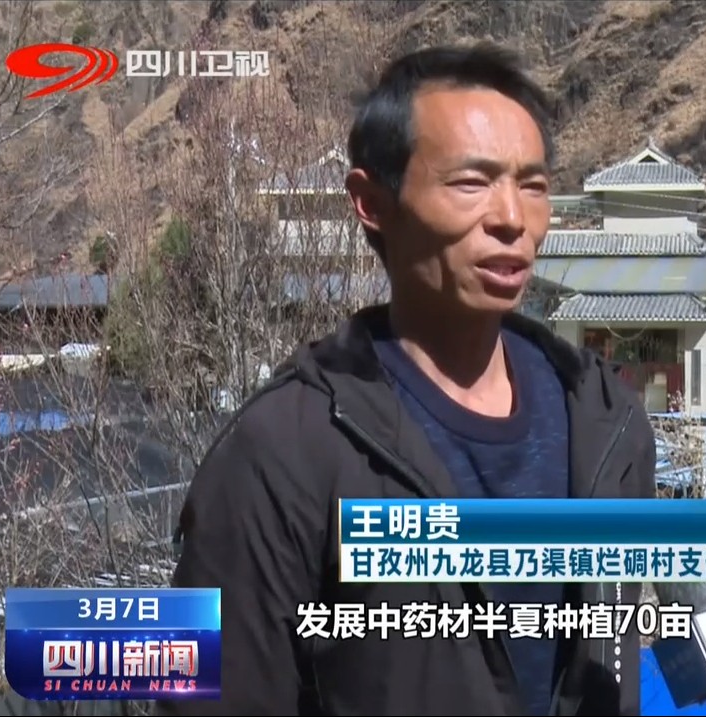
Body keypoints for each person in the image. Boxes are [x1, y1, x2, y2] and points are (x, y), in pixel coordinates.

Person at [157, 43, 658, 716]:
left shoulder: (606, 422)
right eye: (472, 182)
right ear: (372, 202)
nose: (512, 218)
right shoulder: (284, 452)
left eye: (533, 186)